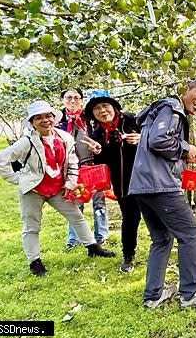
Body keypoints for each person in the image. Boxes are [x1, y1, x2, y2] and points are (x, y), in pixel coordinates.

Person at [0, 101, 115, 277]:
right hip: (33, 190)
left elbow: (72, 162)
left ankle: (93, 247)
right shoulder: (26, 142)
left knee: (77, 218)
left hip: (57, 188)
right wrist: (17, 179)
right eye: (39, 117)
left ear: (54, 118)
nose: (45, 120)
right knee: (32, 226)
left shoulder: (65, 137)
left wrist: (70, 183)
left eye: (48, 116)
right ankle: (34, 261)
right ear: (32, 122)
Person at [128, 80, 196, 309]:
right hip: (161, 185)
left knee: (162, 238)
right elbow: (159, 141)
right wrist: (186, 148)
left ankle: (153, 295)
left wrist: (185, 156)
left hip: (142, 185)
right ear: (185, 90)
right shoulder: (173, 107)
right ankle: (190, 293)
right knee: (190, 233)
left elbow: (158, 145)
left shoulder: (161, 112)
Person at [81, 94, 142, 273]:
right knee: (130, 218)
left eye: (105, 106)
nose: (102, 111)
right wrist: (99, 152)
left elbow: (154, 137)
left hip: (148, 179)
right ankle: (128, 255)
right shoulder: (98, 134)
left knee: (157, 215)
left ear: (114, 107)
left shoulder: (132, 120)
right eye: (96, 109)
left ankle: (163, 249)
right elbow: (106, 162)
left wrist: (141, 138)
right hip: (123, 184)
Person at [58, 88, 110, 250]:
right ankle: (74, 239)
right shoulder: (58, 120)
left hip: (92, 166)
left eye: (76, 97)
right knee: (74, 203)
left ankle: (101, 236)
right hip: (71, 168)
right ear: (62, 100)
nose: (72, 100)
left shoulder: (89, 118)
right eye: (68, 97)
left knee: (99, 202)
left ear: (81, 100)